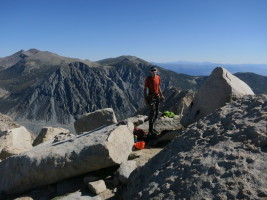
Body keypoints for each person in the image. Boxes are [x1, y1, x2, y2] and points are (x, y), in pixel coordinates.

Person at [144, 66, 164, 137]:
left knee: (157, 113)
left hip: (157, 96)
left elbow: (158, 87)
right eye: (152, 70)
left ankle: (153, 128)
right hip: (151, 97)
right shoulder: (148, 79)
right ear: (150, 71)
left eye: (154, 70)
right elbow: (145, 89)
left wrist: (161, 95)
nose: (153, 71)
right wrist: (145, 99)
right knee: (152, 113)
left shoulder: (158, 78)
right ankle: (150, 130)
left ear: (156, 71)